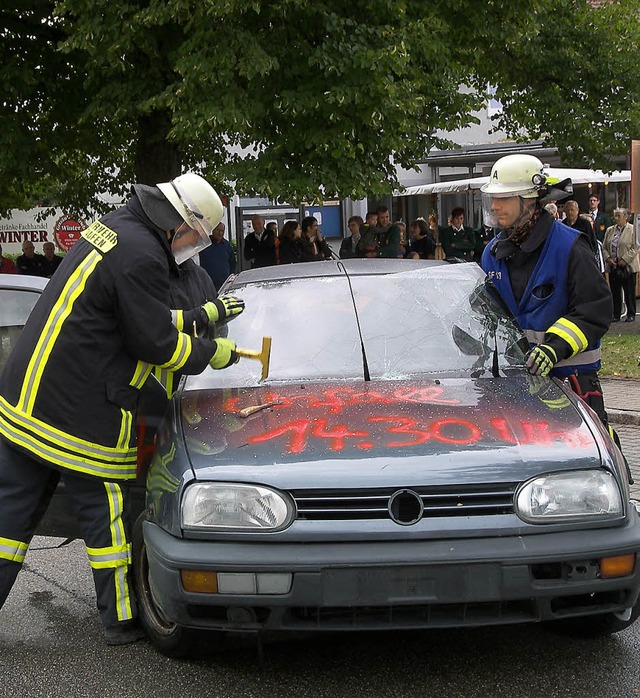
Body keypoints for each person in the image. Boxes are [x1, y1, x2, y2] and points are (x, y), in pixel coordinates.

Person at [0, 172, 245, 646]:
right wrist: (208, 353)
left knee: (8, 517)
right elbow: (154, 341)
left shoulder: (120, 228)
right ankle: (121, 622)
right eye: (198, 237)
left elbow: (147, 313)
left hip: (28, 398)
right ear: (182, 224)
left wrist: (206, 314)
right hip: (76, 409)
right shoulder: (143, 254)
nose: (196, 247)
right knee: (106, 511)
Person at [480, 154, 617, 448]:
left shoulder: (570, 246)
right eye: (493, 198)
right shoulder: (491, 253)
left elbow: (596, 310)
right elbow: (490, 315)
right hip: (512, 385)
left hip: (571, 382)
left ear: (529, 201)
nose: (494, 206)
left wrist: (554, 349)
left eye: (503, 198)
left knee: (587, 456)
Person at [604, 208, 638, 323]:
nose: (616, 218)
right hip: (613, 265)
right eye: (615, 216)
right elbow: (604, 247)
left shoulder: (633, 230)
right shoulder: (610, 230)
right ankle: (616, 314)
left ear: (625, 217)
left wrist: (625, 259)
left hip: (627, 266)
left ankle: (631, 313)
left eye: (619, 216)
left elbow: (636, 247)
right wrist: (608, 258)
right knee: (615, 291)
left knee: (629, 291)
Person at [198, 221, 237, 292]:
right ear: (213, 230)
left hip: (224, 284)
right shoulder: (205, 244)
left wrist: (230, 278)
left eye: (222, 231)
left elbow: (233, 263)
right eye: (218, 230)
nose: (220, 233)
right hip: (208, 283)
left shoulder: (227, 246)